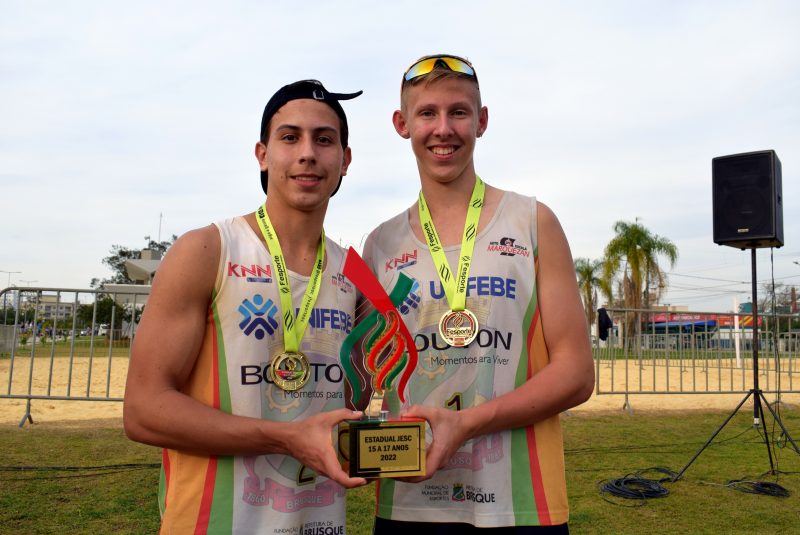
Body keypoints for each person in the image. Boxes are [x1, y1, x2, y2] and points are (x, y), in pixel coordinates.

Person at [362, 55, 595, 533]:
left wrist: (468, 423)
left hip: (518, 504)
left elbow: (575, 374)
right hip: (410, 502)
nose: (443, 129)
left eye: (459, 112)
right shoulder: (380, 245)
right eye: (427, 113)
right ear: (402, 124)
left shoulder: (532, 222)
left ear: (482, 121)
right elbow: (363, 369)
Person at [123, 79, 367, 534]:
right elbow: (143, 409)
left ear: (345, 160)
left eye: (325, 139)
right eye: (290, 137)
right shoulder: (206, 250)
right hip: (214, 522)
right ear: (262, 154)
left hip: (319, 522)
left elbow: (357, 395)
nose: (308, 153)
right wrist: (285, 438)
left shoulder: (353, 274)